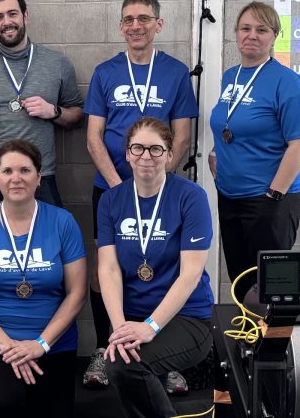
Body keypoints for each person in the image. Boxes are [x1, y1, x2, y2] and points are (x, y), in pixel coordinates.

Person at [83, 0, 198, 390]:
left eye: (144, 18)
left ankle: (166, 355)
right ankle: (104, 347)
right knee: (105, 270)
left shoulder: (176, 72)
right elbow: (94, 137)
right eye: (129, 19)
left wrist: (155, 182)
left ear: (158, 25)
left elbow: (182, 137)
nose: (136, 25)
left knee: (163, 261)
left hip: (160, 190)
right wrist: (121, 188)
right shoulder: (105, 72)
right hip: (111, 187)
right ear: (120, 26)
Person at [0, 140, 87, 417]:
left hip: (52, 340)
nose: (16, 178)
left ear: (39, 178)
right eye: (8, 171)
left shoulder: (63, 222)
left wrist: (40, 344)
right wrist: (8, 346)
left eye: (25, 171)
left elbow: (76, 293)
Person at [97, 118, 213, 418]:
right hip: (131, 317)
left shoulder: (191, 197)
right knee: (128, 365)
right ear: (126, 153)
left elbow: (191, 274)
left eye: (155, 149)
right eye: (137, 148)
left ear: (170, 155)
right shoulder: (111, 200)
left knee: (124, 365)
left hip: (186, 318)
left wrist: (151, 326)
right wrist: (121, 327)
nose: (145, 156)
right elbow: (108, 269)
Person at [209, 1, 300, 301]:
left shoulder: (287, 82)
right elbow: (229, 121)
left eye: (261, 29)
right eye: (245, 28)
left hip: (270, 201)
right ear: (236, 34)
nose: (252, 35)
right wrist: (217, 153)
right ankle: (248, 345)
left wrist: (274, 195)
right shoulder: (231, 76)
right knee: (241, 281)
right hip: (231, 197)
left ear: (274, 36)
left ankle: (275, 347)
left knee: (272, 289)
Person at [0, 0, 83, 210]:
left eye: (12, 14)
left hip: (40, 173)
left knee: (49, 240)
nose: (6, 22)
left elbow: (77, 115)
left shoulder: (57, 63)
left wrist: (54, 112)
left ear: (25, 16)